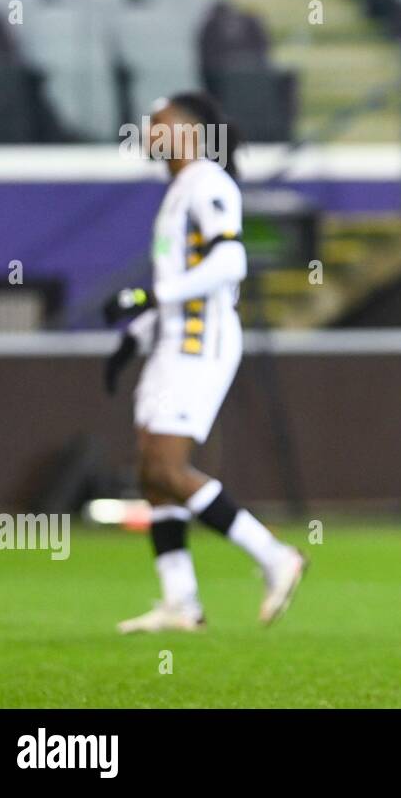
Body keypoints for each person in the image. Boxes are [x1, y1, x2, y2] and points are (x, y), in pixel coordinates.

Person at [103, 92, 307, 633]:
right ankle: (181, 601)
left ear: (192, 131)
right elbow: (180, 283)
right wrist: (138, 335)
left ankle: (274, 556)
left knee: (168, 467)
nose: (150, 131)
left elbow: (230, 259)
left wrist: (154, 299)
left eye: (161, 122)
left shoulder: (208, 182)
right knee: (152, 471)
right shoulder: (180, 189)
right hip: (174, 339)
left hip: (200, 342)